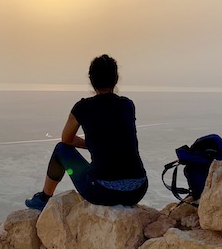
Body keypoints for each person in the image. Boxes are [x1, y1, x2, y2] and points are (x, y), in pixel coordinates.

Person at [25, 55, 148, 211]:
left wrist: (90, 145)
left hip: (101, 191)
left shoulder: (82, 108)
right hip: (137, 190)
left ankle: (44, 198)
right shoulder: (127, 105)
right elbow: (117, 136)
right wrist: (96, 144)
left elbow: (66, 139)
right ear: (116, 78)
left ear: (91, 79)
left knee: (61, 150)